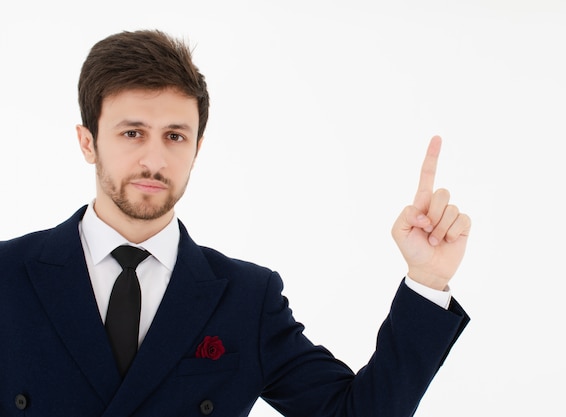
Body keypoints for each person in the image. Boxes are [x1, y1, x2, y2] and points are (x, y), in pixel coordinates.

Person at [0, 29, 471, 417]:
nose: (154, 159)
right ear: (88, 142)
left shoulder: (246, 298)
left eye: (175, 136)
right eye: (132, 133)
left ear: (197, 147)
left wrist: (427, 280)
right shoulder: (7, 275)